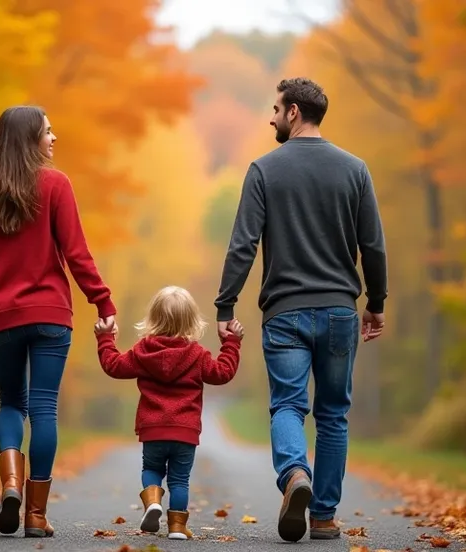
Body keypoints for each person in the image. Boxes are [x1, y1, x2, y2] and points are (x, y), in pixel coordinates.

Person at [214, 78, 388, 542]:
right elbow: (372, 245)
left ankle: (295, 476)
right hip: (338, 312)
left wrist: (225, 304)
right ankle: (325, 517)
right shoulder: (355, 169)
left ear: (294, 112)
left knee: (288, 405)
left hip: (285, 314)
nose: (270, 118)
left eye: (275, 109)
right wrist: (375, 303)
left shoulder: (264, 170)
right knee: (333, 414)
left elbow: (243, 244)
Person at [0, 105, 117, 539]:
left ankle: (9, 483)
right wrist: (103, 303)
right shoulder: (55, 185)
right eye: (47, 131)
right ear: (29, 139)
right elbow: (77, 254)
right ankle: (36, 516)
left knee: (10, 403)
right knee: (43, 408)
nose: (54, 138)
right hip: (50, 316)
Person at [94, 286, 243, 540]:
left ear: (153, 318)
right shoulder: (197, 355)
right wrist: (231, 343)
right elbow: (223, 373)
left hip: (152, 429)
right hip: (185, 431)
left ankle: (152, 500)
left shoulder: (143, 351)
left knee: (151, 468)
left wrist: (105, 338)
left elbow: (113, 366)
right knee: (179, 480)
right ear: (191, 322)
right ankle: (176, 527)